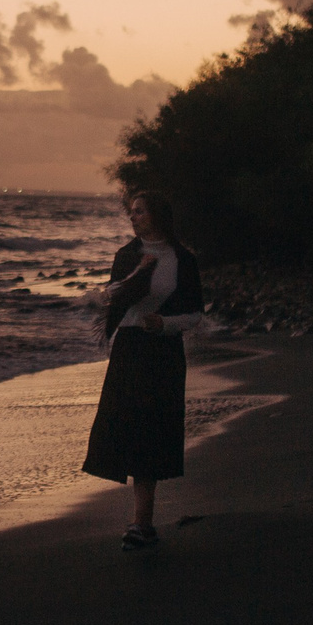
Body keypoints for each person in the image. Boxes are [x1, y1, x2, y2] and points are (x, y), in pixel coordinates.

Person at [80, 190, 205, 550]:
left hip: (163, 350)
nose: (133, 218)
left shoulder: (183, 259)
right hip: (130, 349)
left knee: (154, 431)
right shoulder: (128, 255)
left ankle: (142, 523)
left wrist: (164, 323)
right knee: (126, 427)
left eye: (139, 212)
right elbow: (111, 295)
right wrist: (140, 271)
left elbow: (196, 313)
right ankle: (141, 522)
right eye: (131, 213)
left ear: (158, 215)